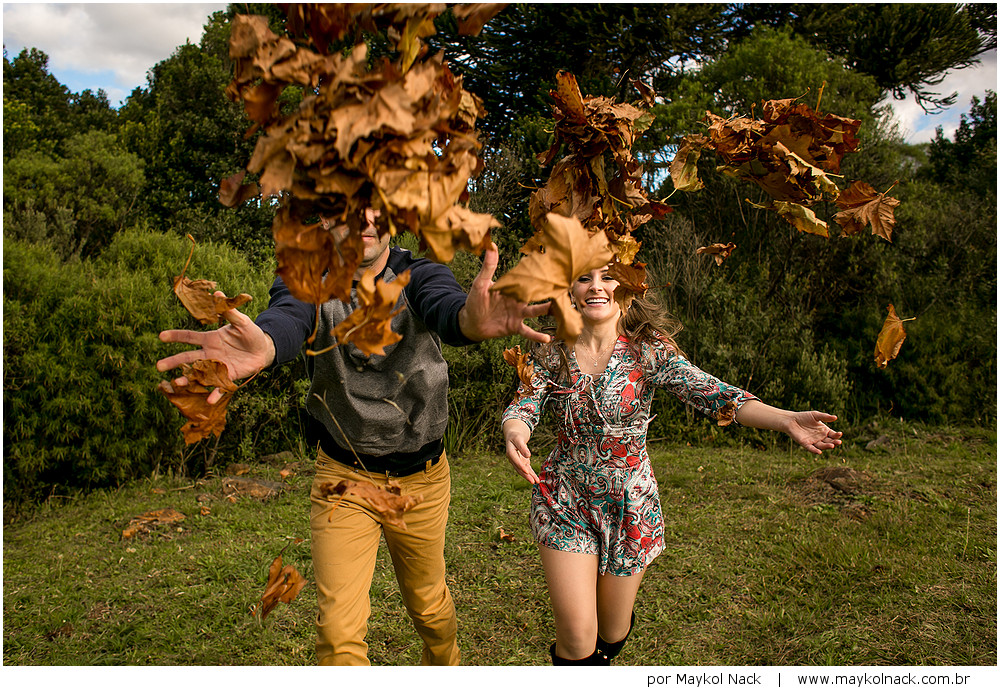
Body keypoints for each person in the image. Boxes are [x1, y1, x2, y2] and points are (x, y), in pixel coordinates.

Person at [157, 208, 550, 665]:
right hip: (343, 478)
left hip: (420, 481)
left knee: (428, 607)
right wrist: (268, 342)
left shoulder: (421, 274)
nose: (366, 219)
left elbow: (446, 308)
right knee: (338, 634)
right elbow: (289, 316)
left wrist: (467, 322)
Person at [501, 265, 843, 665]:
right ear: (569, 290)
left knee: (611, 632)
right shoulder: (549, 351)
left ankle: (606, 651)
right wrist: (515, 432)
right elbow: (523, 404)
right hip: (564, 499)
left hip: (630, 504)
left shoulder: (649, 350)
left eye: (608, 277)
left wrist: (784, 419)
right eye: (584, 278)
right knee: (578, 638)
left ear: (627, 288)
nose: (596, 287)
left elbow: (713, 394)